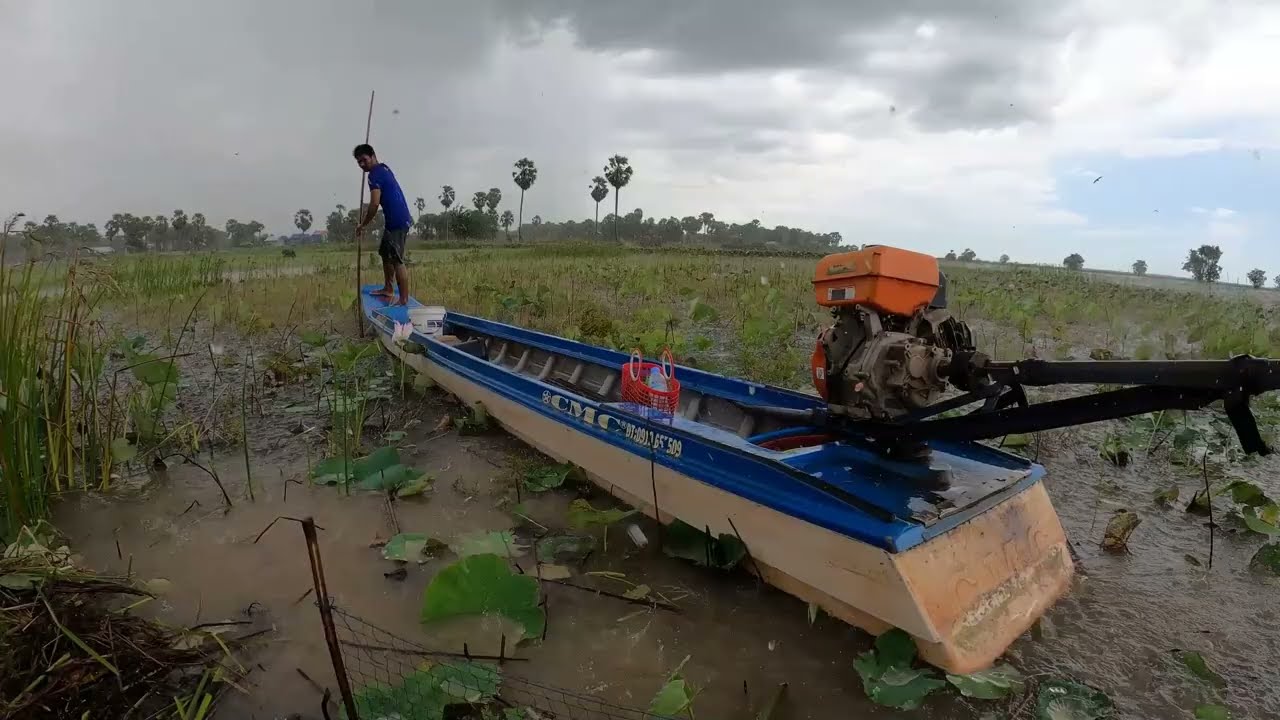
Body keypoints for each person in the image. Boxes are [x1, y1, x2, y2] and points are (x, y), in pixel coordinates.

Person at [353, 143, 413, 305]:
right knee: (385, 253)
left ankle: (404, 300)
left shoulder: (374, 175)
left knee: (396, 260)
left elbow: (374, 204)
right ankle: (388, 288)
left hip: (398, 221)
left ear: (372, 156)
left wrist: (362, 225)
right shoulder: (384, 168)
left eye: (364, 160)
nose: (361, 165)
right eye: (359, 162)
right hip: (395, 220)